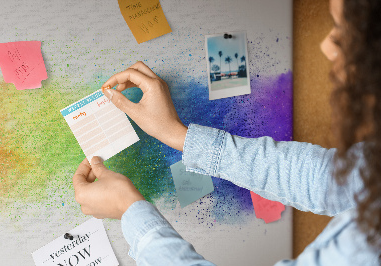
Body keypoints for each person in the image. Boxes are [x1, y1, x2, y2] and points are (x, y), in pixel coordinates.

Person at [72, 0, 381, 264]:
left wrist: (130, 210)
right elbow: (324, 178)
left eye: (345, 31)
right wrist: (177, 134)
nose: (327, 47)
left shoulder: (367, 247)